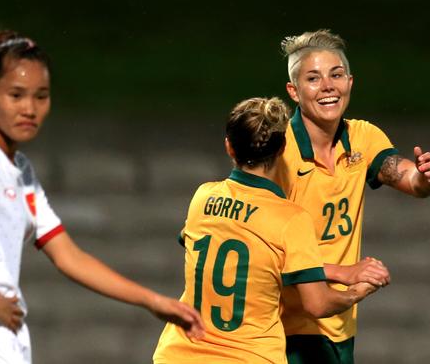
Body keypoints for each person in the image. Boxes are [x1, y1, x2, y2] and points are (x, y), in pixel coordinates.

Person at [0, 30, 204, 364]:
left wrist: (153, 301)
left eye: (41, 96)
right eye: (16, 95)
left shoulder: (18, 170)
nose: (30, 108)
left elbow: (69, 256)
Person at [153, 97, 379, 364]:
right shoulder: (289, 219)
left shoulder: (203, 198)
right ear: (282, 147)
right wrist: (358, 291)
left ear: (229, 147)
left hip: (180, 355)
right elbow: (317, 303)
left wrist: (338, 272)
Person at [276, 29, 430, 363]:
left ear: (350, 82)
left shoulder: (362, 137)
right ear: (293, 91)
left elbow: (408, 178)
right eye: (313, 78)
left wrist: (426, 178)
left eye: (336, 75)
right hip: (285, 329)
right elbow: (267, 250)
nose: (328, 86)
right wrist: (344, 273)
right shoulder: (278, 152)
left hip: (339, 328)